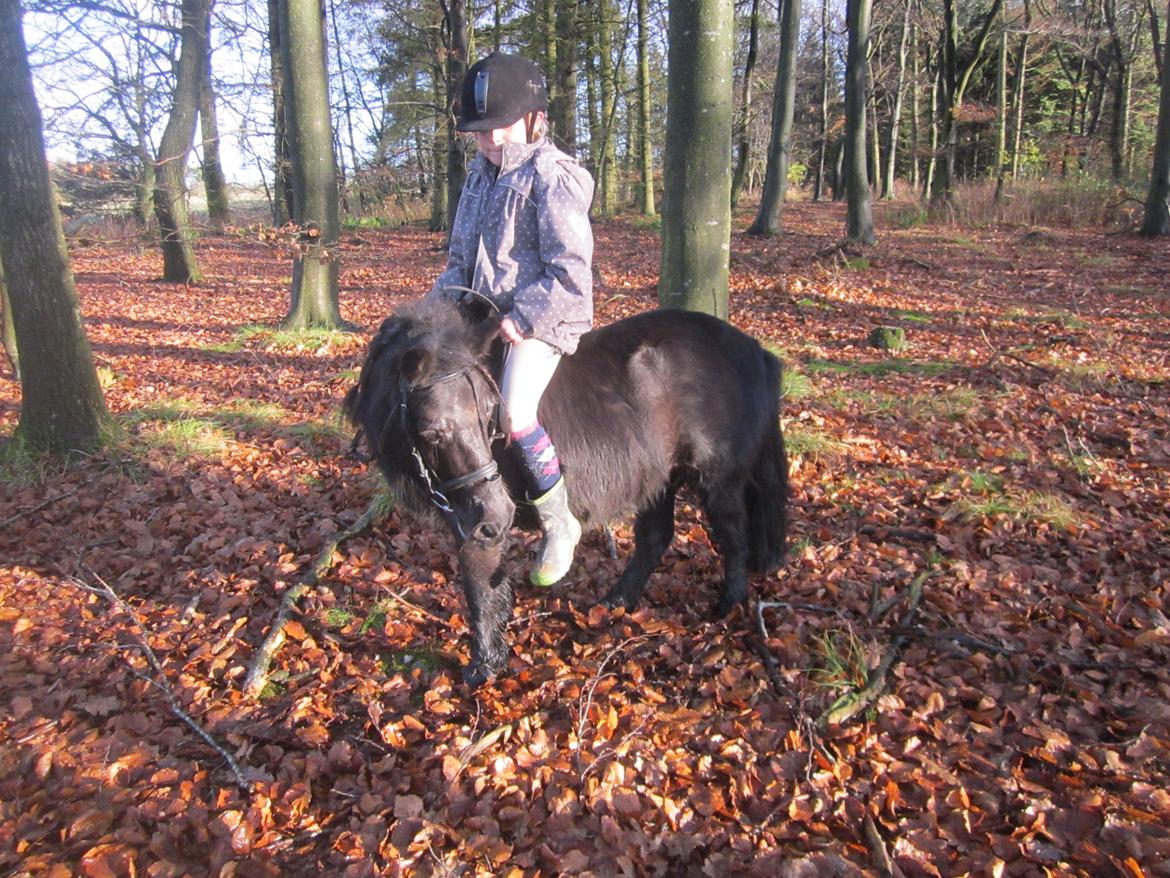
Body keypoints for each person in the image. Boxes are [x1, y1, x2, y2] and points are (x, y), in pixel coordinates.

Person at [427, 52, 595, 587]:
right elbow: (459, 259)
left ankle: (559, 522)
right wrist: (433, 312)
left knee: (514, 413)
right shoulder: (477, 178)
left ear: (533, 120)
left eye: (500, 129)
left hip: (543, 317)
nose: (490, 141)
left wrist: (525, 315)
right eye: (480, 133)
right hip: (482, 313)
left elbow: (571, 270)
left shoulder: (554, 177)